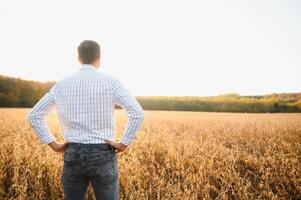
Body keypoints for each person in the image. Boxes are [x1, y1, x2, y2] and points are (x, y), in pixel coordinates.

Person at [27, 40, 144, 200]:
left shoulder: (62, 84)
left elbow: (34, 115)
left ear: (78, 58)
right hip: (103, 153)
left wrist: (54, 145)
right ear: (99, 58)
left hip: (73, 152)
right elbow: (137, 113)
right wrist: (124, 143)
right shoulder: (111, 82)